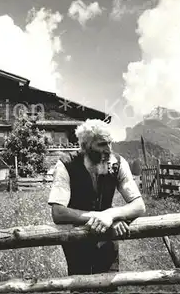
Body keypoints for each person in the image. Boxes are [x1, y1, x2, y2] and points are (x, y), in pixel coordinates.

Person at [48, 119, 146, 291]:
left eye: (110, 143)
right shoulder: (66, 165)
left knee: (108, 285)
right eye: (102, 144)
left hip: (108, 238)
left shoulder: (118, 163)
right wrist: (98, 216)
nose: (108, 150)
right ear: (86, 145)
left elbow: (139, 205)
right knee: (80, 286)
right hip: (77, 239)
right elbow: (58, 212)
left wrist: (111, 215)